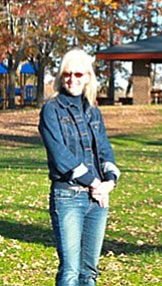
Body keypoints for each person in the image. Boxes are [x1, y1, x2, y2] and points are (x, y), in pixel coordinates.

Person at [39, 49, 120, 286]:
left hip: (97, 201)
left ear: (87, 77)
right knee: (70, 272)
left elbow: (104, 151)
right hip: (68, 197)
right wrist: (95, 183)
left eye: (78, 74)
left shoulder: (93, 112)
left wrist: (109, 182)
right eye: (66, 74)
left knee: (89, 273)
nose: (72, 79)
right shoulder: (51, 111)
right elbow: (60, 156)